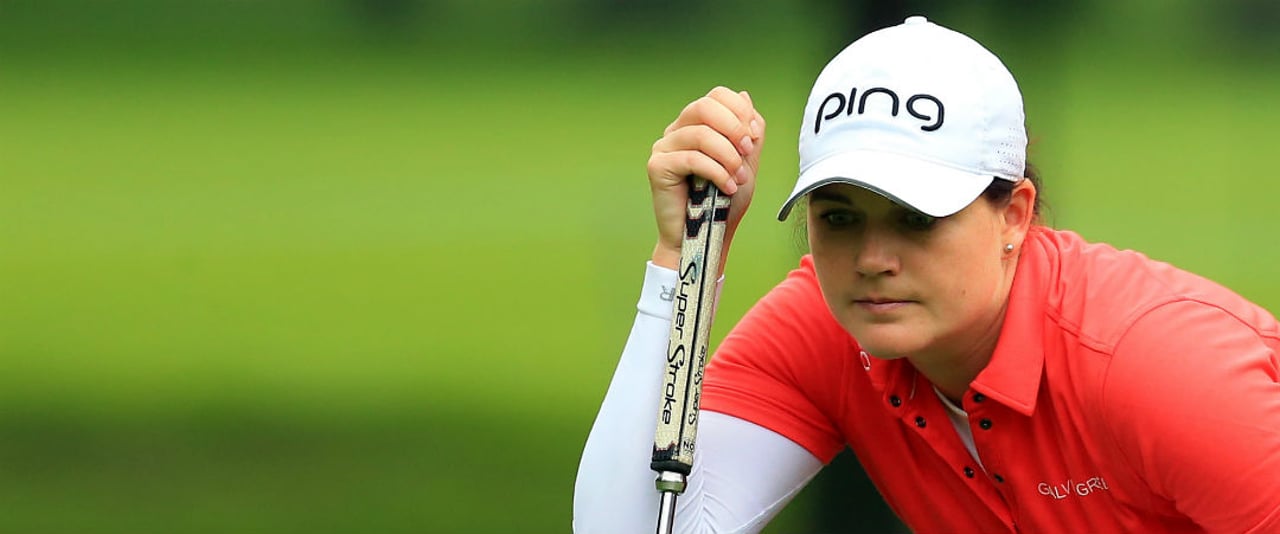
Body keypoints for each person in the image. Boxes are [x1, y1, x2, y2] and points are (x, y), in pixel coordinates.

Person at [573, 16, 1280, 534]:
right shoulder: (826, 328)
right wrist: (686, 255)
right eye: (841, 218)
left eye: (917, 219)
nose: (874, 259)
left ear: (1015, 215)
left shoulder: (1158, 366)